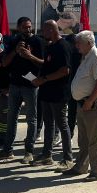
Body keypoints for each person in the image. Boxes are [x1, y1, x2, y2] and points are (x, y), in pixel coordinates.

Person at [0, 17, 44, 162]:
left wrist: (29, 55)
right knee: (11, 117)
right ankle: (7, 150)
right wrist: (15, 51)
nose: (28, 29)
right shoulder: (13, 41)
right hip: (14, 85)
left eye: (29, 27)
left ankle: (29, 151)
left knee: (31, 119)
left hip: (30, 86)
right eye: (25, 27)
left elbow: (43, 64)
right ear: (19, 27)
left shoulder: (38, 41)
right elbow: (4, 62)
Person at [63, 30, 97, 181]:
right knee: (83, 138)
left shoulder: (96, 57)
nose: (76, 46)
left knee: (95, 139)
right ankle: (81, 166)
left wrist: (90, 101)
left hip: (92, 102)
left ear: (88, 43)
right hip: (83, 103)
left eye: (78, 43)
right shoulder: (86, 57)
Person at [32, 20, 74, 171]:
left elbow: (65, 70)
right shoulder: (49, 46)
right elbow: (47, 66)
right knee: (48, 125)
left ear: (52, 30)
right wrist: (38, 79)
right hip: (46, 92)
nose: (43, 33)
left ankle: (68, 158)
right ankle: (46, 155)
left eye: (44, 30)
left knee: (62, 124)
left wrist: (43, 79)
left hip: (59, 93)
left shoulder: (63, 46)